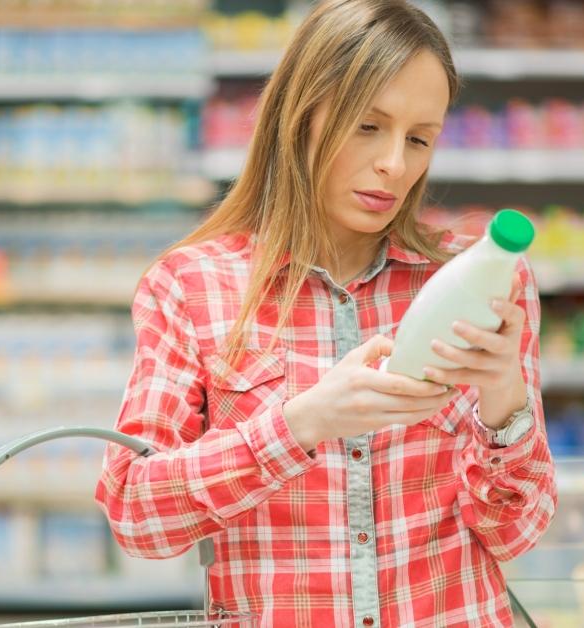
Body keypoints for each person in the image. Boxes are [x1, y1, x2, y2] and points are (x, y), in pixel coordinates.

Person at [95, 1, 556, 625]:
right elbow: (135, 515)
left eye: (419, 138)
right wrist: (301, 424)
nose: (396, 163)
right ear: (301, 116)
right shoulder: (191, 287)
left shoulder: (479, 283)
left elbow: (514, 534)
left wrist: (504, 398)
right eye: (369, 126)